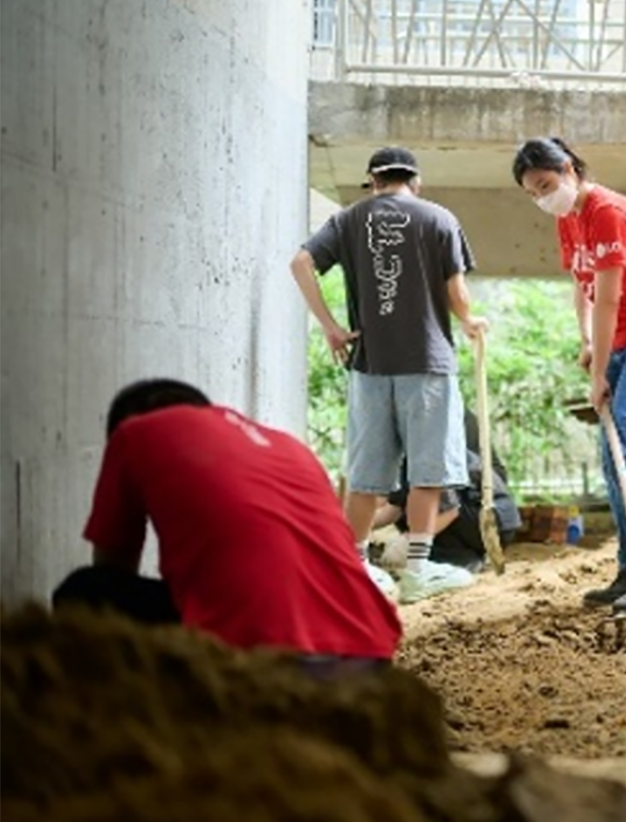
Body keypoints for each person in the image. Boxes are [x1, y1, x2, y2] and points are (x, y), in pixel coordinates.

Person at [53, 379, 401, 668]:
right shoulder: (291, 447)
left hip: (258, 658)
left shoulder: (134, 432)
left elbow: (114, 566)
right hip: (370, 653)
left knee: (85, 591)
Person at [290, 146, 487, 604]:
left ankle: (354, 569)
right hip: (427, 364)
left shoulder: (348, 220)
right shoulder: (439, 218)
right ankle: (416, 572)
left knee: (366, 475)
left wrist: (331, 327)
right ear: (414, 182)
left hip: (370, 365)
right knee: (427, 472)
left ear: (373, 182)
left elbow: (300, 263)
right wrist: (468, 321)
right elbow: (456, 291)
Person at [513, 137, 626, 614]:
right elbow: (584, 286)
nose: (542, 198)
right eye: (532, 193)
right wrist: (588, 342)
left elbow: (610, 298)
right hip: (622, 341)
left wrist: (598, 374)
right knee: (612, 456)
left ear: (569, 169)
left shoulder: (608, 211)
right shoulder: (568, 219)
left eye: (546, 185)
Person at [373, 412, 523, 573]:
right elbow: (393, 509)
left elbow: (450, 511)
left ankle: (458, 560)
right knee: (411, 512)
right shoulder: (408, 458)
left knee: (423, 511)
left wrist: (410, 541)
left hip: (492, 520)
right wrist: (357, 530)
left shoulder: (433, 450)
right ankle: (453, 556)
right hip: (465, 512)